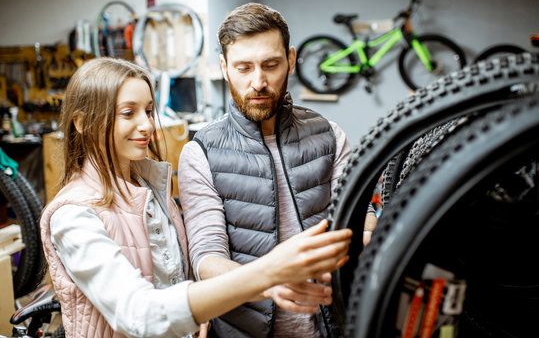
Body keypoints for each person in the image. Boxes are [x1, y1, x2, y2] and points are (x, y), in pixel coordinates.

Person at [39, 57, 353, 338]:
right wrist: (267, 272)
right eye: (127, 113)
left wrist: (200, 310)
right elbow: (137, 314)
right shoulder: (74, 215)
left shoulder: (150, 186)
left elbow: (174, 275)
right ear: (82, 123)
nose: (147, 124)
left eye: (149, 110)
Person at [177, 3, 377, 338]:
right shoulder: (201, 152)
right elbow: (206, 260)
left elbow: (363, 220)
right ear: (224, 68)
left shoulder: (329, 134)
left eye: (271, 65)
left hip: (334, 326)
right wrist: (269, 281)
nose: (259, 82)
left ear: (292, 60)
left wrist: (369, 236)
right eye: (244, 68)